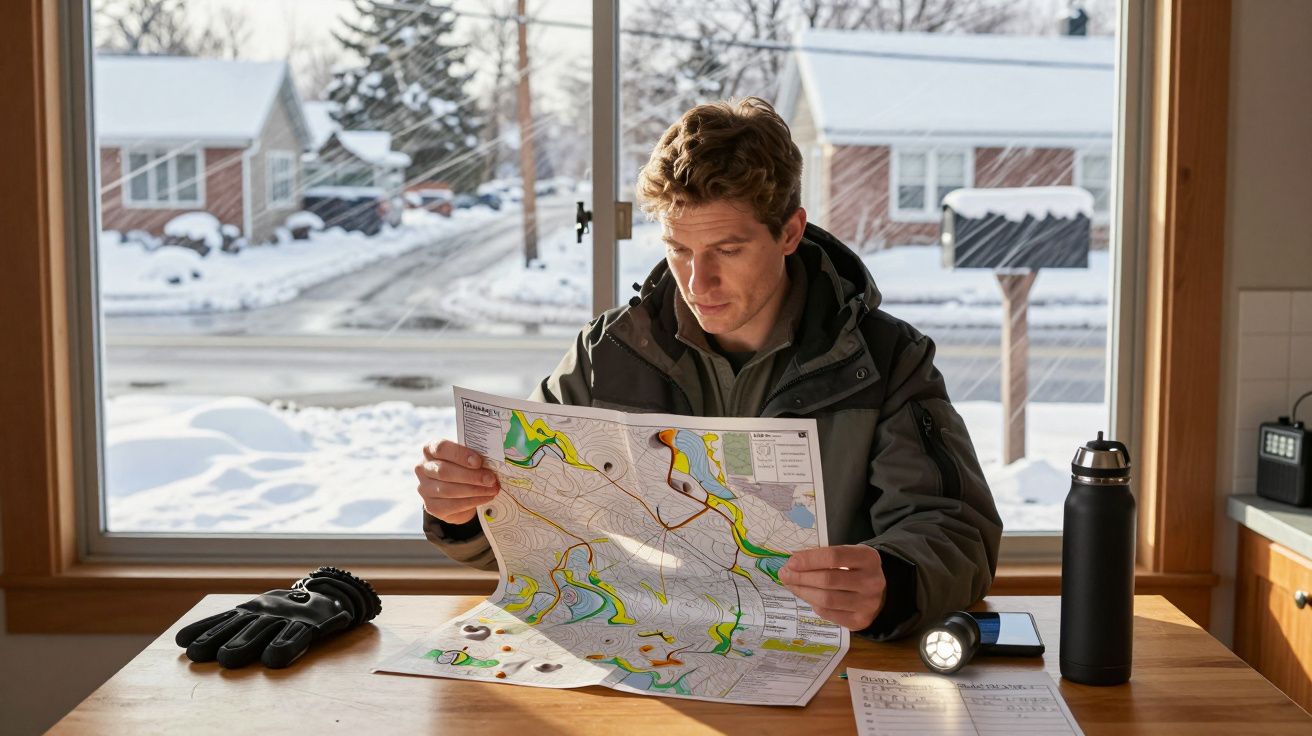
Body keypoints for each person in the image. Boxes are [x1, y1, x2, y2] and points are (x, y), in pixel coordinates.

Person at [415, 97, 1002, 641]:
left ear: (790, 232)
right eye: (679, 249)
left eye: (727, 250)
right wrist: (462, 513)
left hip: (821, 666)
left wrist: (893, 585)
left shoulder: (886, 359)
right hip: (644, 662)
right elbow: (529, 529)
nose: (698, 283)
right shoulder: (606, 355)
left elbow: (955, 531)